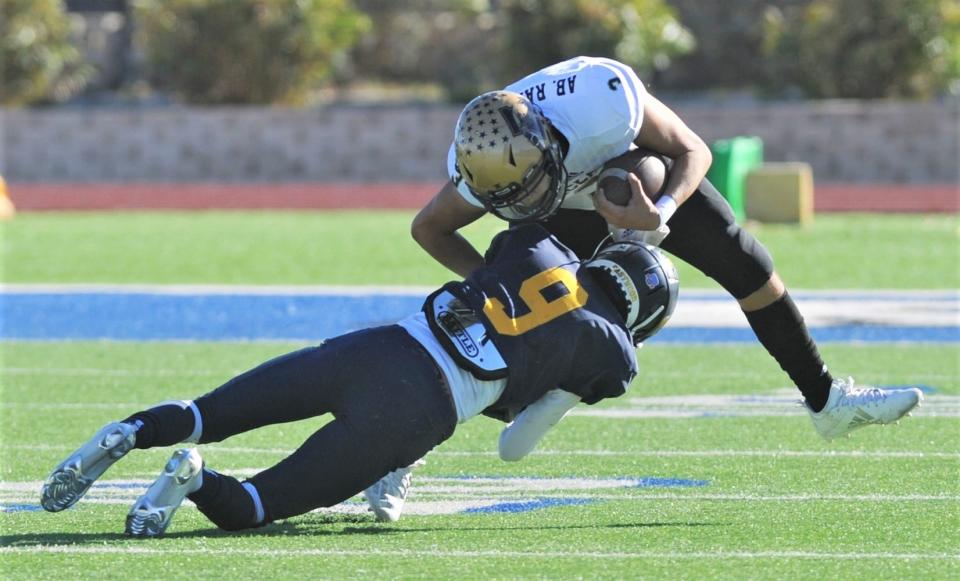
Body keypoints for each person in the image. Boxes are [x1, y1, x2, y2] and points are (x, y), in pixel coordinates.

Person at [365, 55, 924, 520]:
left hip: (630, 184)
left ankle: (827, 401)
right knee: (507, 333)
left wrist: (656, 215)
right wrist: (493, 286)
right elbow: (429, 227)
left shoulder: (598, 99)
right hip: (564, 212)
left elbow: (693, 151)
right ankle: (394, 453)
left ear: (548, 139)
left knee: (746, 262)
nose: (523, 203)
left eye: (526, 186)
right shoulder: (482, 165)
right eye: (508, 199)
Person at [40, 225, 680, 537]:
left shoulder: (540, 244)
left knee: (211, 410)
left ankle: (133, 430)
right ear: (641, 320)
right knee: (256, 508)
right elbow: (514, 446)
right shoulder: (611, 351)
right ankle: (194, 478)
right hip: (416, 411)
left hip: (376, 345)